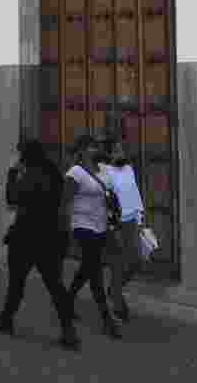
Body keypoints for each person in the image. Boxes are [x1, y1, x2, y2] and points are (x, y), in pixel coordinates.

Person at [0, 139, 79, 349]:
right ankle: (68, 330)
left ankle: (6, 320)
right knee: (55, 285)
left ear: (25, 155)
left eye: (19, 153)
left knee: (16, 283)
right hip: (49, 237)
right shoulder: (53, 174)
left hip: (26, 237)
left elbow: (12, 198)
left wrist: (12, 173)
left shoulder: (31, 175)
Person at [63, 135, 121, 339]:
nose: (94, 150)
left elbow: (115, 188)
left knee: (88, 267)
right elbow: (66, 201)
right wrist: (66, 229)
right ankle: (107, 319)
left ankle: (66, 301)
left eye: (95, 146)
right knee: (94, 269)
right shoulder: (75, 173)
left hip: (101, 226)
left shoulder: (103, 170)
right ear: (81, 150)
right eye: (90, 147)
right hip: (82, 226)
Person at [100, 138, 145, 323]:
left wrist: (140, 218)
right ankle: (118, 303)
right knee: (117, 264)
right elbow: (104, 198)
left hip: (131, 222)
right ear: (110, 154)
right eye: (117, 151)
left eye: (122, 150)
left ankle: (114, 289)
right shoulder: (104, 171)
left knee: (136, 261)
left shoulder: (128, 169)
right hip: (115, 224)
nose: (122, 154)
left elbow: (134, 194)